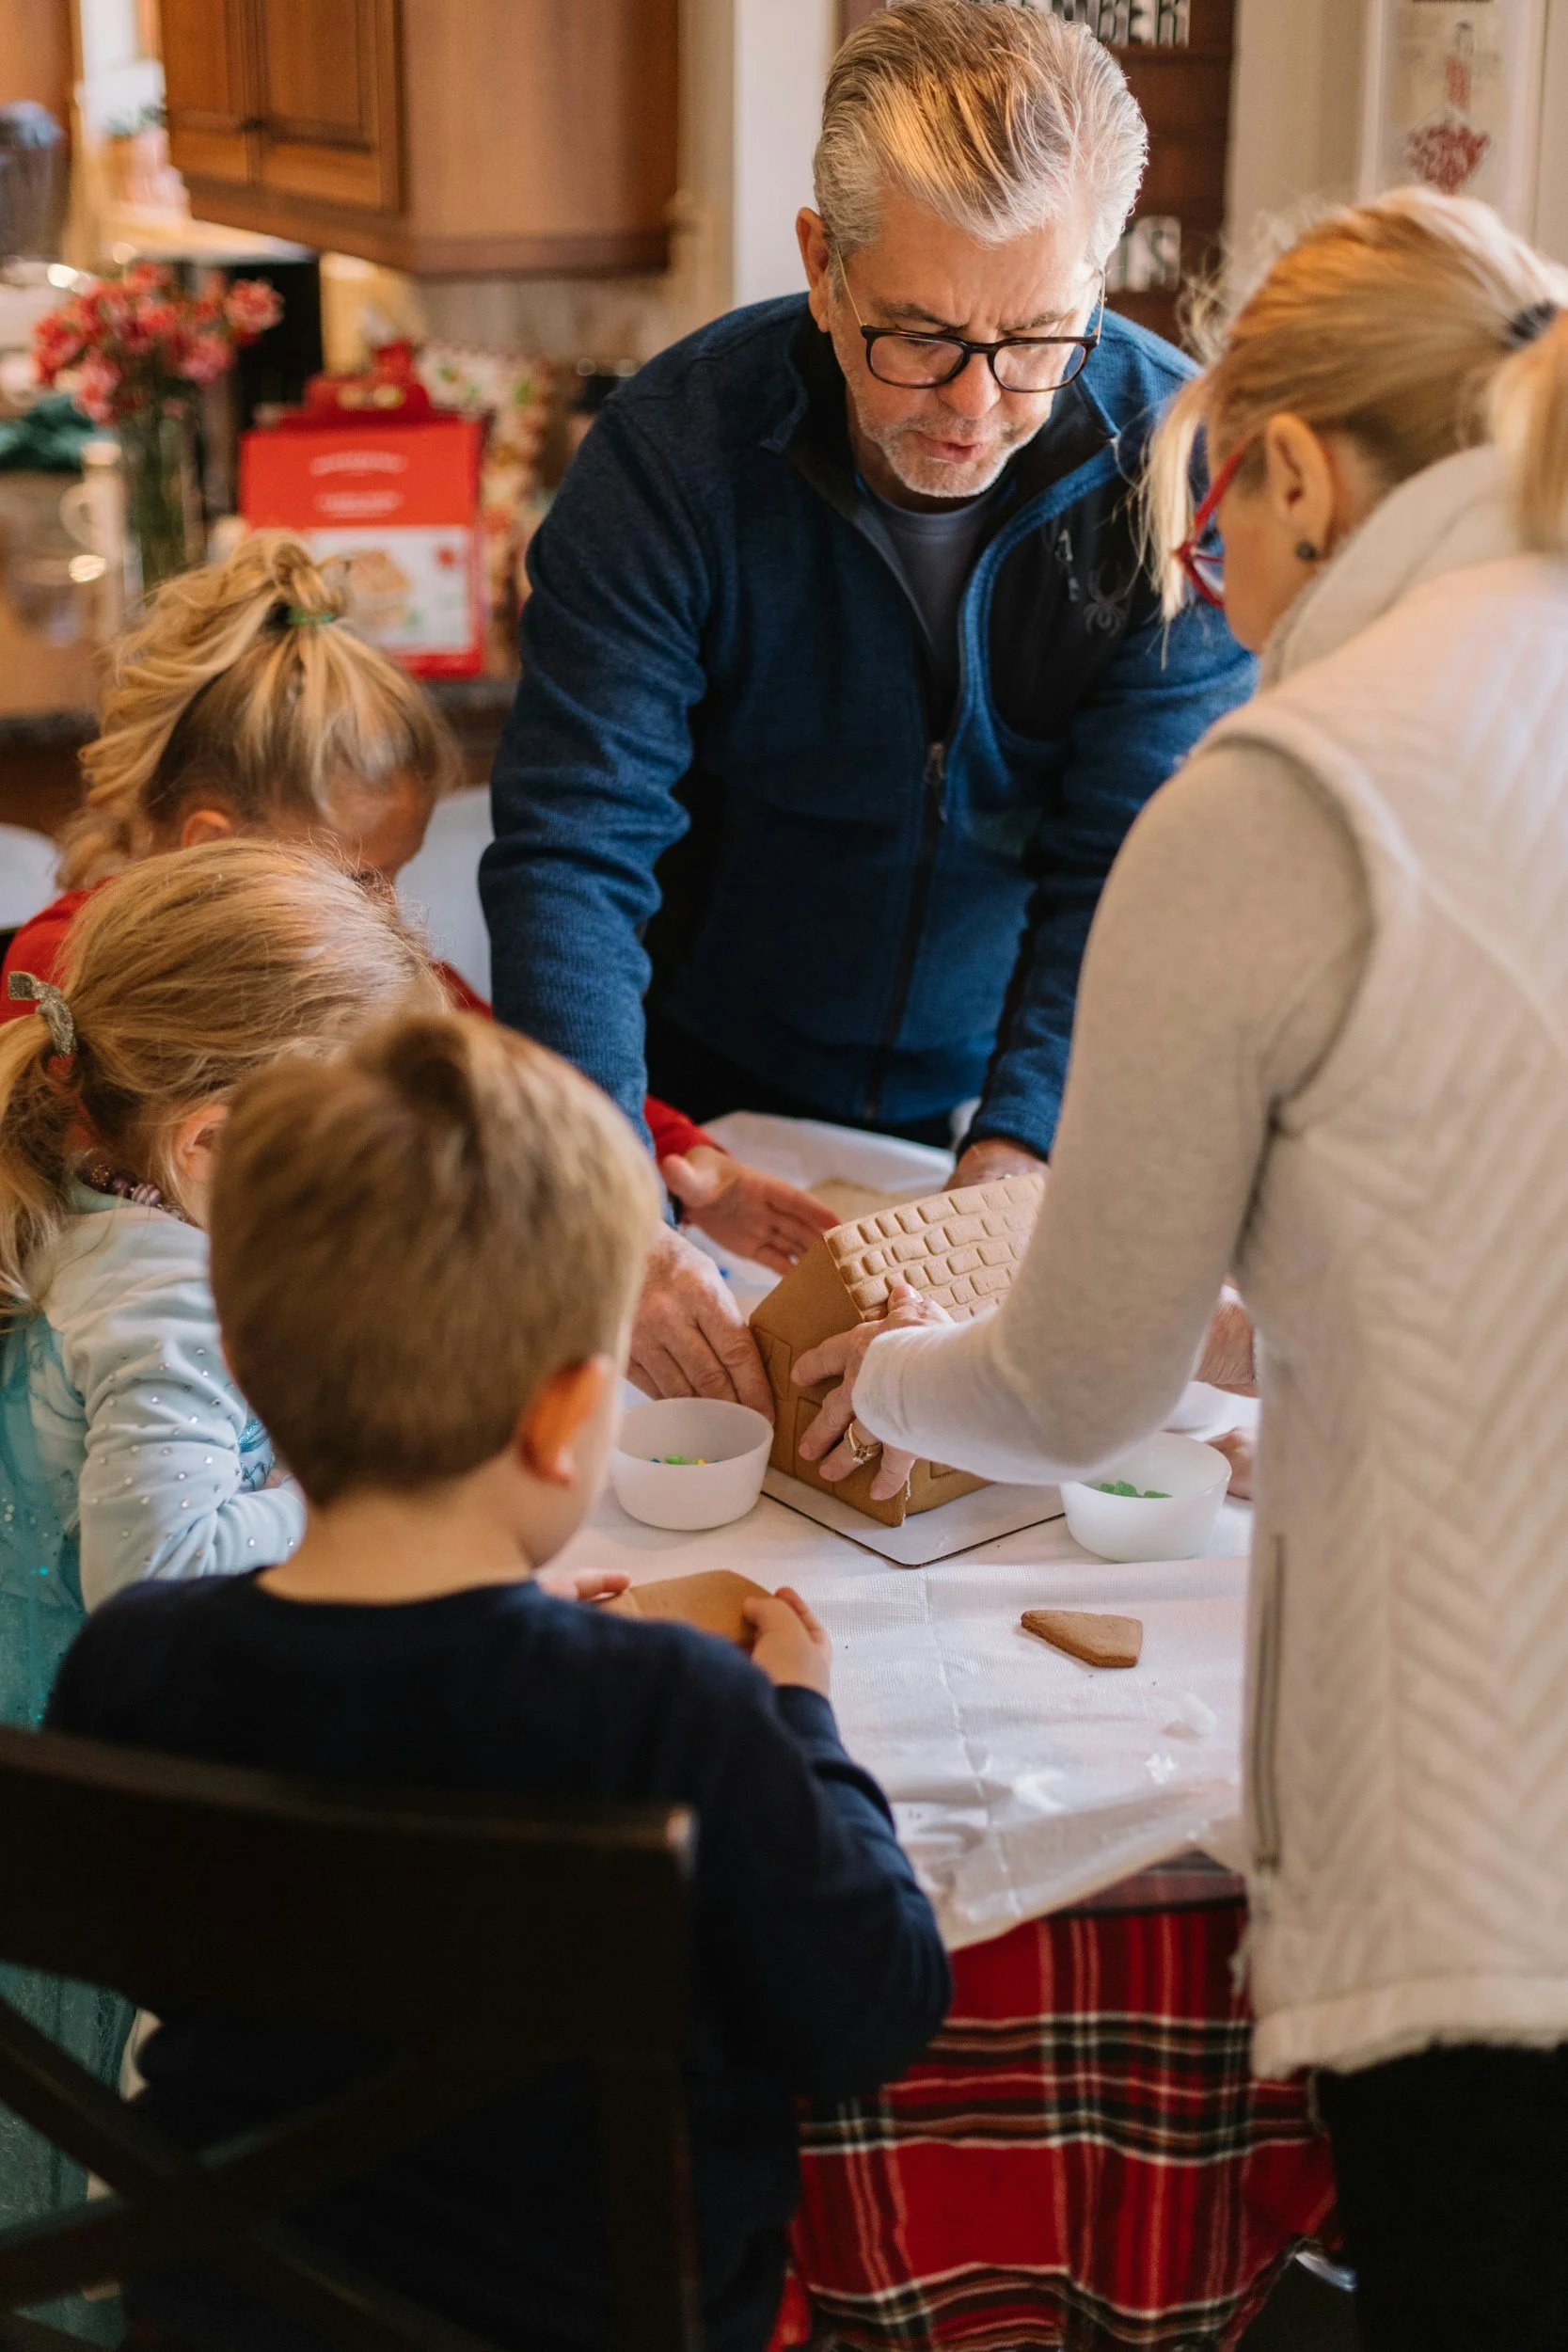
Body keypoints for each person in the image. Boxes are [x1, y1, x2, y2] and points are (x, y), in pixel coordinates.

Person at [789, 187, 1568, 2350]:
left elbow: (1076, 1389)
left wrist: (887, 1365)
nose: (1220, 595)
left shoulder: (1298, 784)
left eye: (1216, 529)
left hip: (1508, 1858)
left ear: (1293, 467)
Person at [48, 1009, 952, 2352]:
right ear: (562, 1418)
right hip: (598, 2317)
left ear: (243, 1363)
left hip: (222, 2311)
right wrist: (801, 1722)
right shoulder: (673, 1713)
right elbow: (871, 2013)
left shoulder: (134, 1663)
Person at [482, 0, 1255, 1415]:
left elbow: (1132, 869)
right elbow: (573, 858)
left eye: (1037, 339)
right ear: (819, 268)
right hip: (697, 1080)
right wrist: (606, 1201)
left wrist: (1009, 1169)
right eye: (918, 336)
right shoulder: (668, 462)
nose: (975, 405)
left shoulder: (1174, 470)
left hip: (1015, 1073)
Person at [0, 839, 436, 2279]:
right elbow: (162, 1570)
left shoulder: (76, 1187)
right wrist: (342, 1483)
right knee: (86, 2185)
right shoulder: (165, 1299)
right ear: (205, 1146)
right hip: (83, 1820)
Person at [0, 532, 834, 1280]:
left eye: (397, 873)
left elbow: (517, 1064)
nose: (391, 914)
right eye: (362, 878)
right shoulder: (72, 980)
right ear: (209, 846)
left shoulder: (352, 955)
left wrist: (680, 1158)